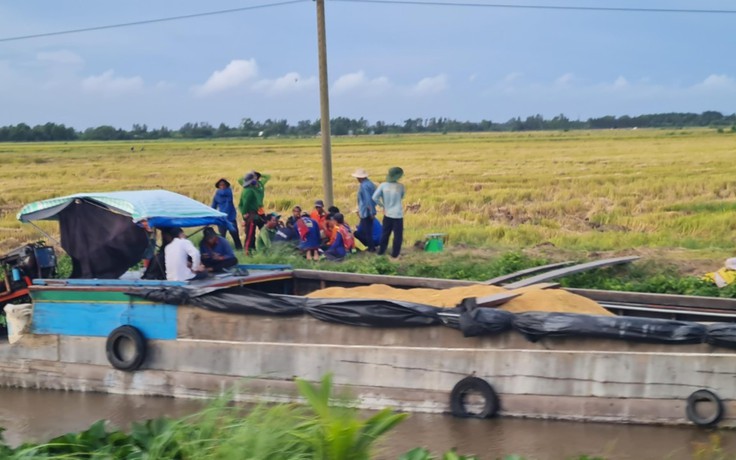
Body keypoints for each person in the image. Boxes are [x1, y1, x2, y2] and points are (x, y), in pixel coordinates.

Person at [372, 166, 405, 258]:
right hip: (398, 214)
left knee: (385, 233)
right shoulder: (401, 186)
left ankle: (381, 252)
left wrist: (383, 205)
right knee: (398, 235)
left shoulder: (383, 185)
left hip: (387, 213)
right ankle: (395, 254)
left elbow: (374, 197)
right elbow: (401, 197)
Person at [210, 178, 242, 250]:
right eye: (220, 185)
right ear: (218, 186)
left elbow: (226, 197)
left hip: (231, 218)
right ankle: (222, 250)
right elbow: (213, 206)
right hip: (221, 218)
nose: (222, 186)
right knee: (222, 237)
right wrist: (211, 215)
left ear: (226, 185)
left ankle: (240, 250)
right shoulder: (217, 195)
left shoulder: (228, 192)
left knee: (235, 235)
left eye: (224, 185)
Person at [351, 168, 377, 252]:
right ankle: (371, 246)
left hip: (366, 212)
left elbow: (367, 200)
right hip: (369, 210)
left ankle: (371, 248)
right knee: (367, 230)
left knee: (367, 231)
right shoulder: (371, 184)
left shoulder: (364, 186)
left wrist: (371, 212)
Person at [238, 171, 259, 255]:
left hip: (250, 214)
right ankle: (247, 252)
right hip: (251, 215)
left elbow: (240, 204)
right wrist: (245, 214)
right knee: (250, 235)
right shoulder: (250, 191)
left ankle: (252, 250)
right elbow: (245, 204)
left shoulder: (245, 190)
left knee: (251, 233)